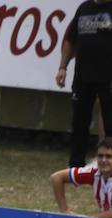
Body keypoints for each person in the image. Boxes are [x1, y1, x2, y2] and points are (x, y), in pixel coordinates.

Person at [57, 0, 112, 168]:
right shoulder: (83, 8)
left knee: (110, 123)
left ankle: (108, 165)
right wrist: (62, 67)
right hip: (82, 76)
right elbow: (70, 39)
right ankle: (76, 166)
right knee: (79, 122)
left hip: (108, 77)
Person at [51, 136, 112, 217]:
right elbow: (56, 177)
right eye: (100, 156)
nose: (103, 160)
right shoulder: (93, 173)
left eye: (108, 156)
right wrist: (64, 211)